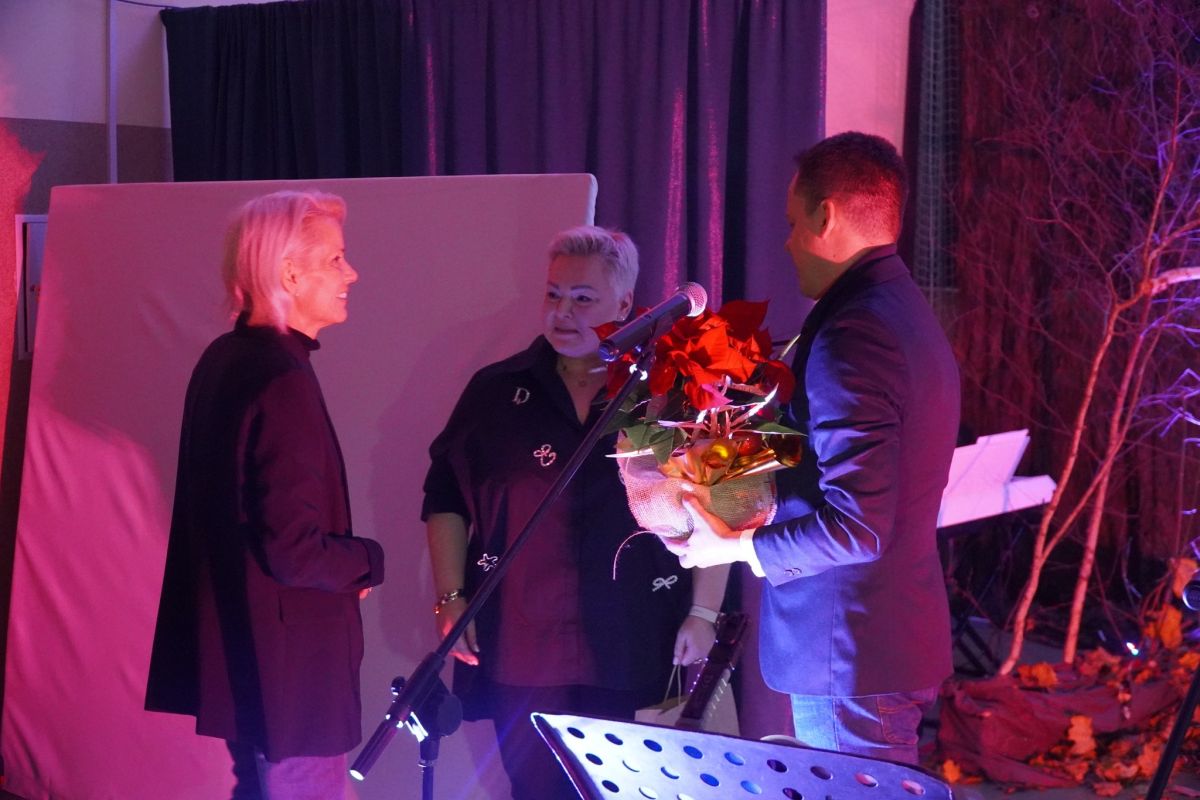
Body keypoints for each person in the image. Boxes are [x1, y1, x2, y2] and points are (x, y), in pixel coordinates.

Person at [665, 132, 959, 765]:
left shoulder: (857, 332)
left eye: (793, 223)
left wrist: (732, 546)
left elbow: (858, 527)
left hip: (849, 651)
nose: (787, 242)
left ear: (826, 217)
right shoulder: (900, 309)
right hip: (876, 641)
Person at [422, 225, 729, 799]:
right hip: (521, 643)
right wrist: (451, 597)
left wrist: (704, 612)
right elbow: (444, 496)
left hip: (635, 639)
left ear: (624, 305)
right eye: (553, 294)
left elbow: (717, 503)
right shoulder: (496, 391)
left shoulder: (667, 394)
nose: (562, 312)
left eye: (582, 298)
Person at [145, 190, 386, 800]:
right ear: (289, 274)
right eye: (335, 259)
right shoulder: (281, 377)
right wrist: (368, 559)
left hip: (244, 657)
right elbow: (294, 551)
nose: (351, 273)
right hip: (291, 674)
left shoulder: (225, 359)